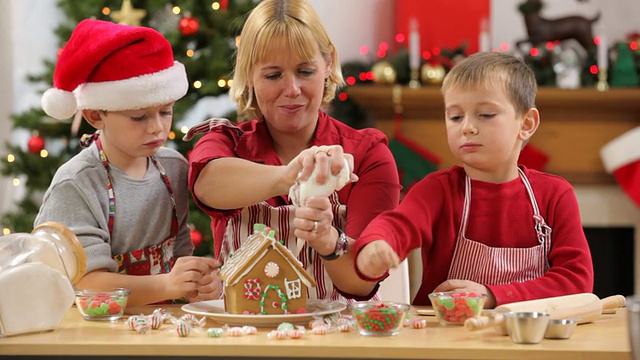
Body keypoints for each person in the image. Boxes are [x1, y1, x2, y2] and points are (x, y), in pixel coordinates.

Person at [186, 0, 401, 301]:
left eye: (305, 71)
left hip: (335, 340)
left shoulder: (367, 154)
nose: (292, 90)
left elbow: (360, 283)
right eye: (273, 75)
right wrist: (290, 174)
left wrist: (328, 241)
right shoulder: (226, 142)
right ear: (249, 75)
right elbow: (207, 185)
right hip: (242, 336)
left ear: (328, 64)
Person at [353, 51, 594, 308]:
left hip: (529, 339)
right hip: (448, 337)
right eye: (455, 117)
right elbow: (397, 225)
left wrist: (491, 296)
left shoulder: (555, 194)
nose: (467, 127)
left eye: (486, 114)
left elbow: (576, 280)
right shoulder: (438, 190)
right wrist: (376, 244)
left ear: (526, 123)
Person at [35, 19, 220, 307]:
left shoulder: (174, 168)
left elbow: (179, 253)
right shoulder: (77, 184)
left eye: (166, 112)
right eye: (139, 117)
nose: (157, 128)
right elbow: (85, 284)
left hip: (163, 327)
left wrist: (195, 282)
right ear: (95, 115)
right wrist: (167, 283)